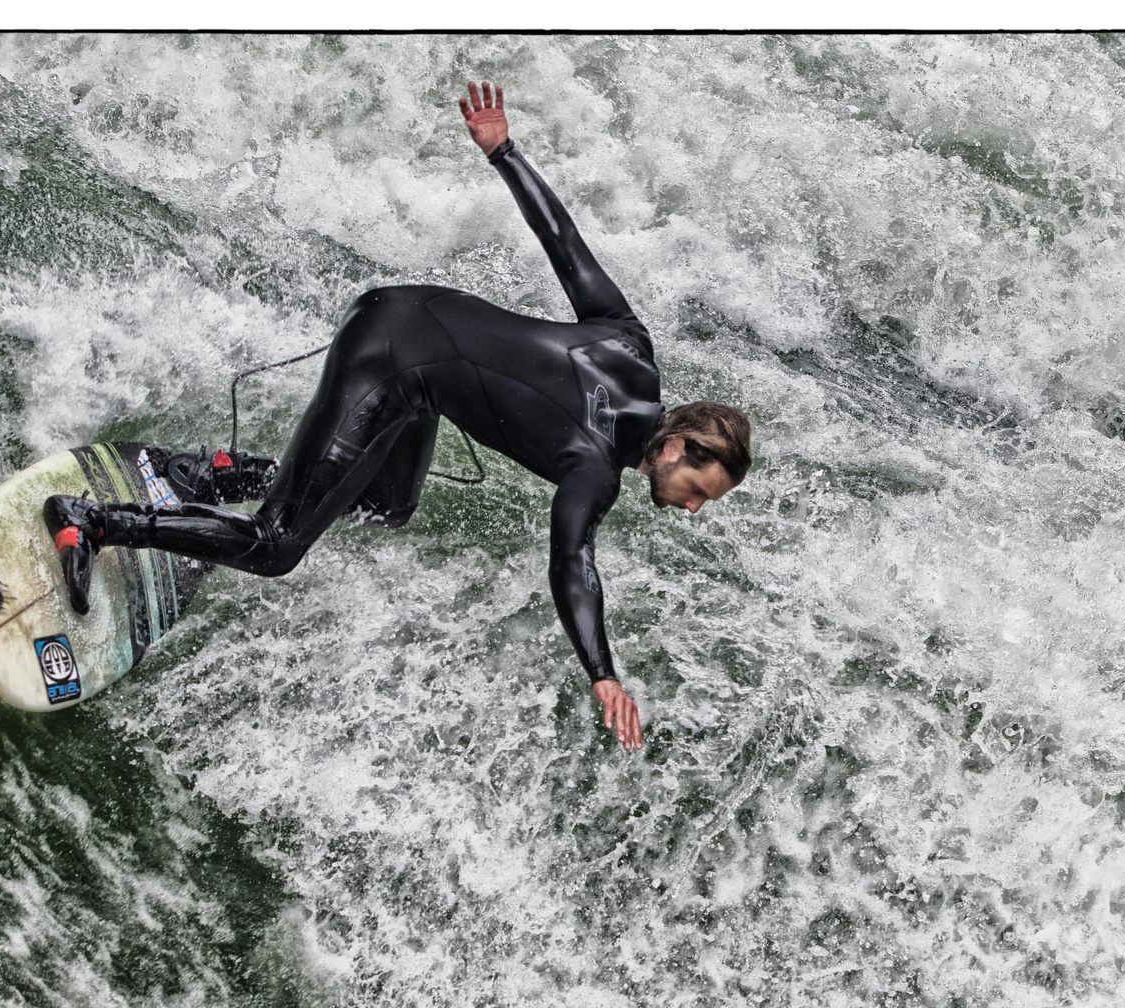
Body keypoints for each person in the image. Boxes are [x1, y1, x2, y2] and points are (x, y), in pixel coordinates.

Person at [44, 81, 753, 751]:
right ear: (677, 447)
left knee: (386, 506)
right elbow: (571, 562)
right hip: (383, 361)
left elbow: (566, 246)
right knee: (275, 548)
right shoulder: (593, 470)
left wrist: (503, 150)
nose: (691, 508)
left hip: (413, 319)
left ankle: (221, 473)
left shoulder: (631, 348)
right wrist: (602, 671)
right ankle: (94, 522)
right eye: (698, 491)